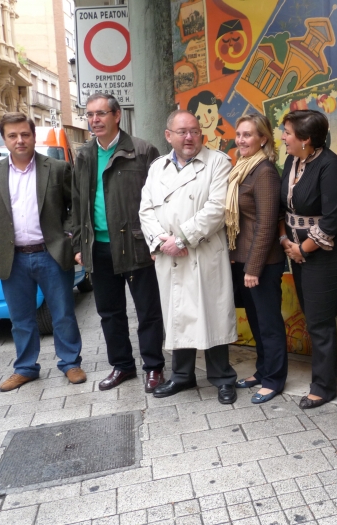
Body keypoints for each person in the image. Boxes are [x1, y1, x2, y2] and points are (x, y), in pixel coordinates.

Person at [0, 113, 86, 391]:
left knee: (63, 314)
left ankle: (70, 363)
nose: (20, 140)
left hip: (51, 254)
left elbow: (74, 207)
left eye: (25, 134)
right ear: (4, 140)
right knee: (20, 319)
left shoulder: (57, 168)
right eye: (13, 135)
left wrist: (67, 236)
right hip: (12, 258)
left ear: (33, 137)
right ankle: (25, 368)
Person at [139, 110, 238, 403]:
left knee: (212, 314)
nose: (189, 137)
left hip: (203, 252)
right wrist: (161, 241)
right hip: (170, 255)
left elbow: (217, 209)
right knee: (178, 314)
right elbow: (145, 210)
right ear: (168, 135)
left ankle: (222, 378)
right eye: (182, 132)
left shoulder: (217, 162)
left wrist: (181, 238)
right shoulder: (157, 168)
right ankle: (182, 376)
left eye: (194, 131)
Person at [72, 93, 166, 394]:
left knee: (148, 310)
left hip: (136, 244)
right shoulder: (84, 154)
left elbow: (161, 199)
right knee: (109, 312)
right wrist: (79, 245)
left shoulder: (142, 150)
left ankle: (154, 366)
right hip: (98, 247)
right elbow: (77, 202)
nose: (94, 120)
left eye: (100, 113)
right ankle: (122, 365)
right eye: (90, 115)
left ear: (116, 116)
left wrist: (156, 241)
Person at [278, 110, 337, 409]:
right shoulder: (292, 160)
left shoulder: (330, 166)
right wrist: (285, 240)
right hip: (296, 250)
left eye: (287, 132)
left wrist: (304, 249)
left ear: (305, 139)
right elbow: (285, 208)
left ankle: (323, 387)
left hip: (324, 255)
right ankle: (323, 379)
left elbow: (333, 219)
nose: (283, 137)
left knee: (320, 321)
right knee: (311, 316)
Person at [228, 114, 287, 404]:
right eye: (239, 134)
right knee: (255, 320)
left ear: (263, 139)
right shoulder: (243, 167)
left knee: (268, 323)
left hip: (262, 263)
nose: (241, 140)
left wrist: (253, 268)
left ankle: (274, 379)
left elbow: (266, 224)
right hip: (243, 259)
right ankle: (263, 371)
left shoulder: (264, 172)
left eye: (248, 135)